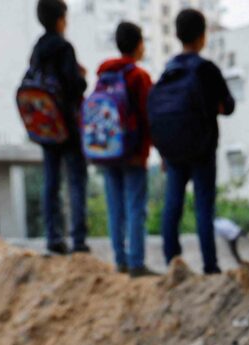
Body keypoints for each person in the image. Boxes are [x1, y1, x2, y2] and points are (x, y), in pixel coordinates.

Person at [156, 9, 235, 274]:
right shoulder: (206, 69)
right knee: (203, 207)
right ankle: (210, 265)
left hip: (174, 151)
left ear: (177, 35)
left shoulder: (168, 71)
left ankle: (171, 262)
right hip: (202, 149)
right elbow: (228, 105)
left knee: (172, 205)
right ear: (203, 36)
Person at [29, 0, 88, 256]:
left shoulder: (38, 48)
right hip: (67, 124)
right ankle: (78, 239)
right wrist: (82, 77)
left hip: (45, 125)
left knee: (51, 181)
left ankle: (53, 236)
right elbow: (74, 87)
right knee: (76, 180)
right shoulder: (64, 47)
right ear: (61, 19)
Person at [96, 22, 155, 277]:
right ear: (139, 44)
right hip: (133, 153)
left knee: (115, 208)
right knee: (135, 208)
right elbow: (148, 115)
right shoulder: (139, 77)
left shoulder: (104, 75)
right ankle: (136, 263)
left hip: (108, 151)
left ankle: (119, 260)